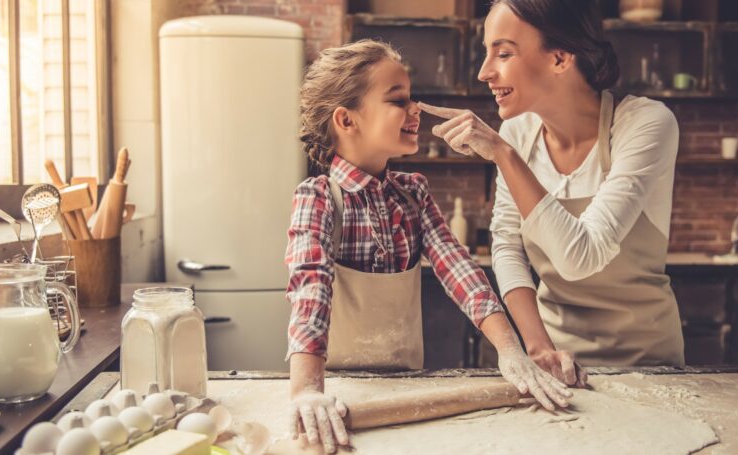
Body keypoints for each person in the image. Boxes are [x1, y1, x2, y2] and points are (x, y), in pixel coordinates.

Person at [284, 39, 571, 454]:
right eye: (398, 100)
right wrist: (306, 391)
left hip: (406, 389)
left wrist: (511, 351)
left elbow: (459, 269)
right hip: (338, 394)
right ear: (347, 120)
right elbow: (310, 288)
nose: (415, 109)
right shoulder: (319, 197)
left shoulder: (412, 193)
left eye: (411, 98)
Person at [420, 0, 685, 389]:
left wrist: (503, 155)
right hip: (558, 362)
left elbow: (581, 256)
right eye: (486, 52)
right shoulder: (518, 134)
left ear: (560, 59)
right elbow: (507, 244)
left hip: (648, 365)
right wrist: (538, 347)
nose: (484, 72)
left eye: (504, 53)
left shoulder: (644, 125)